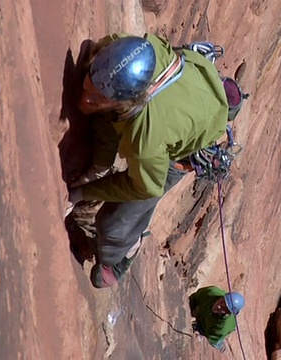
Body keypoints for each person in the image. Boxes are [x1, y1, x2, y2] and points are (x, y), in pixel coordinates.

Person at [65, 32, 229, 288]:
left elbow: (144, 186)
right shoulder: (131, 52)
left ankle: (121, 255)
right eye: (91, 82)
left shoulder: (147, 140)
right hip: (192, 80)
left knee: (114, 223)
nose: (86, 97)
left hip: (191, 137)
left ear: (127, 103)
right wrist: (100, 165)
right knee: (104, 120)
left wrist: (83, 192)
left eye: (99, 97)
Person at [189, 286, 244, 353]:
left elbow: (210, 339)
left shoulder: (221, 327)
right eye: (222, 301)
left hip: (211, 332)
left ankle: (220, 345)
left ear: (228, 313)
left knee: (211, 342)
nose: (219, 306)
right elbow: (194, 297)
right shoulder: (211, 292)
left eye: (224, 308)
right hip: (204, 312)